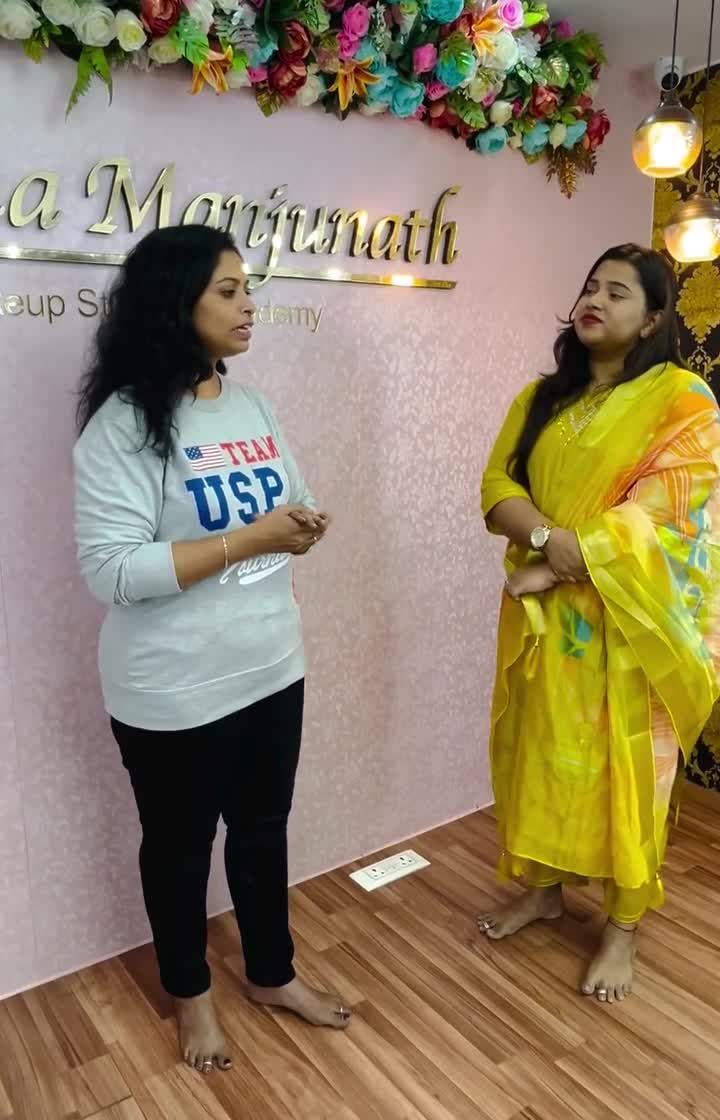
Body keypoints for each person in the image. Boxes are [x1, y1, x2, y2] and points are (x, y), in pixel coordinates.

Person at [73, 224, 351, 1075]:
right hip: (173, 690)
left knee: (263, 833)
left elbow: (291, 495)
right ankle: (190, 996)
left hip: (272, 666)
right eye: (227, 290)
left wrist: (301, 522)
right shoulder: (123, 426)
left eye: (247, 289)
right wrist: (251, 539)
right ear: (175, 302)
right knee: (180, 848)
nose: (247, 305)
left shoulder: (250, 404)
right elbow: (112, 572)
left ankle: (272, 974)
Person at [479, 244, 720, 1003]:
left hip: (632, 624)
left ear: (653, 318)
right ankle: (545, 889)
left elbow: (669, 513)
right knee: (545, 756)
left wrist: (562, 561)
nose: (596, 300)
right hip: (550, 622)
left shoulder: (682, 399)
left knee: (629, 774)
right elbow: (497, 485)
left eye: (618, 293)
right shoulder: (540, 398)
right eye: (590, 286)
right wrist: (551, 544)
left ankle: (622, 927)